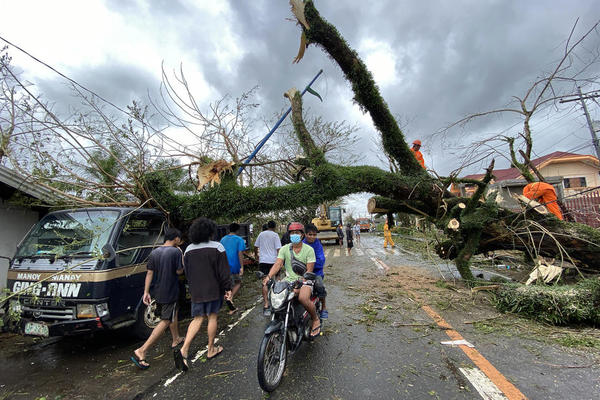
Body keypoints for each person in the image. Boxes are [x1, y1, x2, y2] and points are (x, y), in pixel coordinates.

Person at [176, 218, 232, 371]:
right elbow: (223, 272)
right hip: (214, 289)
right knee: (212, 317)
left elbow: (187, 271)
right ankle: (211, 349)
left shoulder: (188, 250)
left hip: (196, 290)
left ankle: (184, 350)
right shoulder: (217, 247)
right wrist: (228, 288)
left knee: (197, 318)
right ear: (210, 232)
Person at [131, 228, 184, 370]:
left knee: (173, 313)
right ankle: (143, 349)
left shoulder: (155, 252)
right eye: (179, 238)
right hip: (170, 290)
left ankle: (176, 338)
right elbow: (180, 271)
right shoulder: (175, 252)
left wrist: (146, 292)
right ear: (176, 238)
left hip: (158, 290)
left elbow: (149, 272)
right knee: (166, 320)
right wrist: (181, 255)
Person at [262, 222, 321, 338]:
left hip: (305, 280)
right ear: (289, 235)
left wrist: (301, 283)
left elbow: (309, 270)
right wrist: (268, 277)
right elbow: (278, 264)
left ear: (302, 235)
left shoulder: (309, 250)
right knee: (276, 295)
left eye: (297, 233)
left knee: (303, 298)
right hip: (288, 280)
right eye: (292, 233)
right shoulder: (284, 249)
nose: (294, 235)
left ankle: (315, 319)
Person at [254, 220, 282, 316]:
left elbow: (255, 246)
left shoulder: (261, 234)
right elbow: (279, 249)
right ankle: (278, 302)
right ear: (274, 227)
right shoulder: (275, 235)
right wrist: (280, 261)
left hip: (263, 261)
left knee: (264, 282)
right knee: (277, 280)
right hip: (274, 261)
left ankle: (266, 304)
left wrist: (257, 256)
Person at [220, 222, 246, 314]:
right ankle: (230, 298)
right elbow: (240, 253)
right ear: (238, 230)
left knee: (228, 285)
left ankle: (230, 301)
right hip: (235, 265)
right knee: (238, 282)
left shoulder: (223, 239)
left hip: (224, 265)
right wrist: (242, 267)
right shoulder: (239, 239)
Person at [303, 224, 328, 319]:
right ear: (305, 234)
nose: (312, 237)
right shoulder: (302, 244)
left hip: (316, 272)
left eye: (314, 235)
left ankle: (324, 308)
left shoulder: (318, 244)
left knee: (320, 286)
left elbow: (321, 260)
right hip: (303, 272)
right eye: (310, 234)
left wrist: (310, 265)